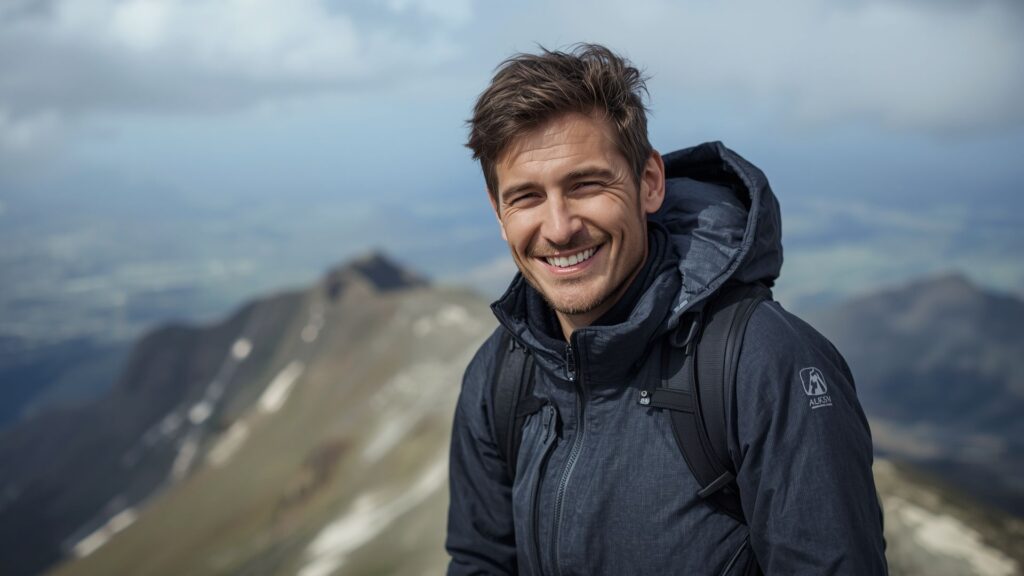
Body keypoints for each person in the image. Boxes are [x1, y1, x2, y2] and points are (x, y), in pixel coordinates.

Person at [446, 44, 888, 575]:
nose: (559, 228)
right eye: (526, 198)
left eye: (586, 184)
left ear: (649, 182)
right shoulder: (502, 373)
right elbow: (480, 563)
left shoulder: (764, 364)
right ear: (499, 214)